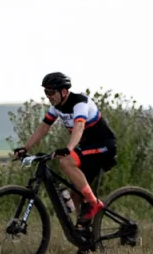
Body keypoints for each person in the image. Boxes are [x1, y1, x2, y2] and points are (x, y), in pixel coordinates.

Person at [18, 72, 118, 228]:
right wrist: (25, 147)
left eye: (51, 92)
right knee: (76, 195)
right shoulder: (57, 107)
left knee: (66, 161)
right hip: (87, 149)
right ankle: (85, 236)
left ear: (63, 91)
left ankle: (93, 203)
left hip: (104, 146)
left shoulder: (80, 102)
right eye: (46, 92)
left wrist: (69, 148)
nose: (48, 96)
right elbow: (44, 126)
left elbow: (79, 125)